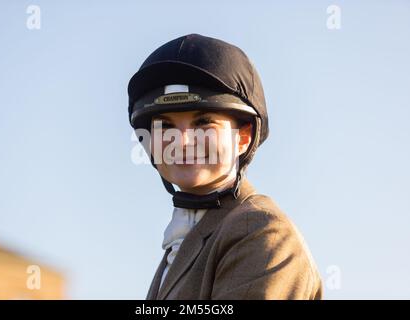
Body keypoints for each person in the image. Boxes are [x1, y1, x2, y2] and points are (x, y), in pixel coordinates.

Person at [127, 34, 323, 300]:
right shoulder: (183, 237)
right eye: (166, 126)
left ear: (243, 137)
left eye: (203, 123)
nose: (182, 142)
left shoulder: (261, 231)